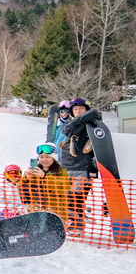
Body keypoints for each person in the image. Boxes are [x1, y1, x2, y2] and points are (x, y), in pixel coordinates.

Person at [59, 98, 100, 234]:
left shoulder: (93, 123)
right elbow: (67, 131)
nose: (78, 112)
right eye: (75, 110)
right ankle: (75, 223)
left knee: (76, 196)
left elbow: (97, 117)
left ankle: (77, 225)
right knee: (68, 197)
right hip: (68, 167)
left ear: (86, 110)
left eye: (81, 109)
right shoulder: (71, 124)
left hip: (84, 168)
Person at [23, 144, 70, 221]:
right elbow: (21, 191)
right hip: (36, 210)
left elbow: (63, 188)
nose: (44, 160)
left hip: (55, 212)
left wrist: (44, 177)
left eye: (47, 157)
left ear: (53, 158)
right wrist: (26, 178)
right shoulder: (34, 171)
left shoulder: (61, 172)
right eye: (41, 157)